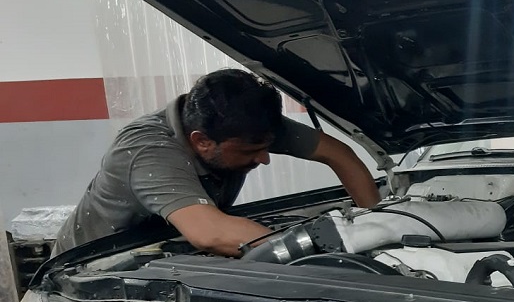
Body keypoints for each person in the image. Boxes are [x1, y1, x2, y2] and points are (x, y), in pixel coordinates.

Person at [54, 69, 380, 257]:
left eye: (267, 146)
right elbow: (209, 233)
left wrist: (375, 224)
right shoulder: (147, 151)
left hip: (167, 249)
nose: (264, 158)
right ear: (201, 141)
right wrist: (316, 252)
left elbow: (339, 154)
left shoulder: (244, 126)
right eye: (251, 151)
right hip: (88, 270)